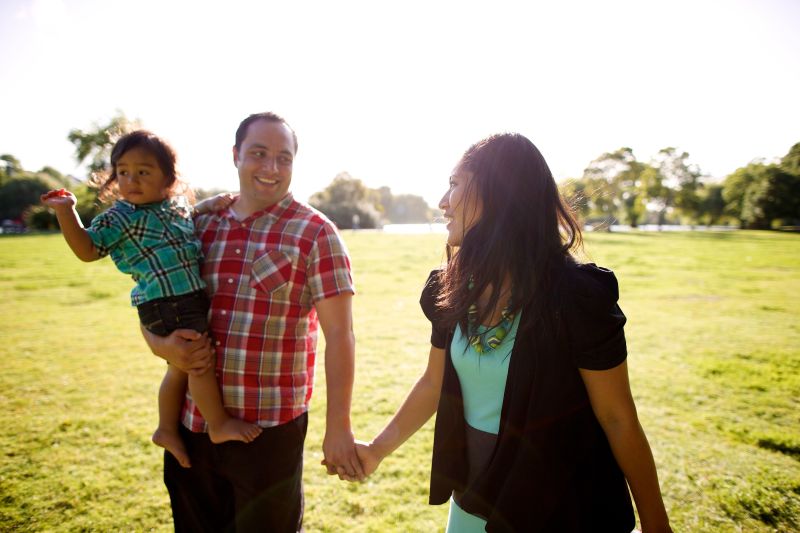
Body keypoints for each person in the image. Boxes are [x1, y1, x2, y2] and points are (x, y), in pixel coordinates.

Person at [352, 133, 672, 532]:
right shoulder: (449, 289)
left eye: (454, 183)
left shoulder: (576, 297)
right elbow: (434, 382)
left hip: (561, 508)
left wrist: (657, 524)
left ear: (497, 193)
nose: (442, 201)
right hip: (474, 499)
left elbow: (617, 417)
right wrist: (376, 450)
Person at [141, 112, 363, 532]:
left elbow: (340, 335)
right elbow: (154, 298)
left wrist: (339, 428)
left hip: (269, 433)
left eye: (284, 158)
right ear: (235, 156)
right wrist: (160, 346)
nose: (271, 168)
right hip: (192, 427)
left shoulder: (316, 233)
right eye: (258, 154)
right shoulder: (199, 225)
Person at [41, 130, 262, 471]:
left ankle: (166, 428)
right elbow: (87, 249)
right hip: (167, 303)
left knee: (180, 367)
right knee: (199, 362)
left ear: (168, 180)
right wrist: (67, 212)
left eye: (143, 171)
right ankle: (218, 425)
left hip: (181, 299)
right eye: (123, 171)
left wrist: (207, 205)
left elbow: (185, 218)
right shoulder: (121, 218)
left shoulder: (170, 206)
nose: (131, 180)